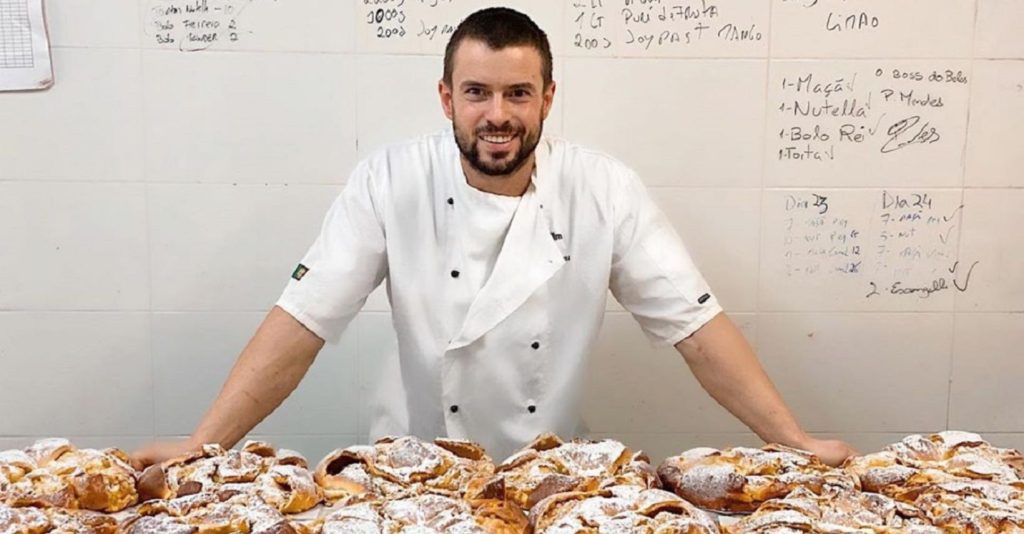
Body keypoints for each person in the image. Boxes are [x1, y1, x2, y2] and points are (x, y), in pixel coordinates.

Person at [134, 7, 855, 467]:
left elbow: (695, 328)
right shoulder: (389, 180)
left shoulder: (604, 188)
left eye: (517, 93)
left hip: (548, 474)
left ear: (547, 97)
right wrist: (205, 445)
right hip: (417, 471)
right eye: (477, 92)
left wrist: (791, 440)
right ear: (447, 98)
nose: (497, 115)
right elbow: (303, 322)